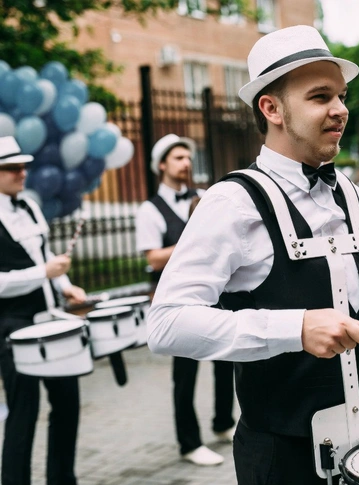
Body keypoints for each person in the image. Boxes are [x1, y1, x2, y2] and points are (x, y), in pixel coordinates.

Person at [145, 25, 359, 485]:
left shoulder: (354, 197)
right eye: (321, 97)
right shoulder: (231, 202)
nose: (341, 110)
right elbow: (166, 324)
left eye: (341, 96)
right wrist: (293, 328)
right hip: (283, 458)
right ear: (271, 108)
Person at [135, 134, 235, 466]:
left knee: (225, 360)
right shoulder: (149, 210)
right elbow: (153, 257)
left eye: (188, 157)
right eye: (178, 158)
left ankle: (224, 424)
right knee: (186, 373)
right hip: (177, 301)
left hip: (213, 293)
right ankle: (189, 444)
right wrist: (194, 239)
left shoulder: (205, 197)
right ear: (162, 165)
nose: (186, 163)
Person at [0, 136, 87, 485]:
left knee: (68, 402)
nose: (22, 173)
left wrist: (67, 286)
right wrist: (43, 274)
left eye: (23, 166)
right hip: (13, 325)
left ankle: (62, 479)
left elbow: (45, 257)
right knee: (24, 411)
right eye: (12, 168)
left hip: (50, 319)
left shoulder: (31, 206)